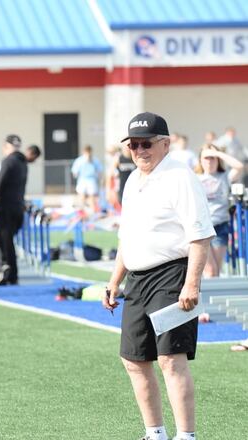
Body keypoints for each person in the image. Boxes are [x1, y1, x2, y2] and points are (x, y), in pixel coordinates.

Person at [103, 112, 214, 440]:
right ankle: (155, 433)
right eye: (133, 145)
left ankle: (186, 436)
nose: (140, 150)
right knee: (134, 359)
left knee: (170, 358)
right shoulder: (133, 180)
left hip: (172, 276)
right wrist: (114, 281)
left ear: (165, 143)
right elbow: (128, 237)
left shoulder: (180, 176)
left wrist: (191, 283)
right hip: (137, 279)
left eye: (146, 143)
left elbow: (200, 235)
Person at [193, 145, 243, 279]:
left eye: (212, 158)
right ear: (201, 161)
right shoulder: (194, 178)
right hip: (201, 228)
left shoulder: (224, 176)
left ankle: (207, 300)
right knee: (209, 270)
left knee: (216, 272)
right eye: (206, 158)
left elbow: (239, 166)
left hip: (220, 226)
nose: (209, 161)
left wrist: (219, 154)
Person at [0, 135, 28, 286]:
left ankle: (5, 270)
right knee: (7, 242)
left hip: (7, 208)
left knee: (0, 241)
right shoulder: (23, 162)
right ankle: (11, 274)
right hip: (18, 207)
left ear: (6, 147)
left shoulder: (8, 161)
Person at [71, 145, 103, 214]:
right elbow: (74, 171)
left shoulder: (95, 160)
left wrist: (100, 179)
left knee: (92, 197)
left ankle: (93, 212)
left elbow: (100, 171)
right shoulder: (80, 160)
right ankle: (81, 212)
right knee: (81, 196)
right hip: (82, 180)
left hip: (91, 180)